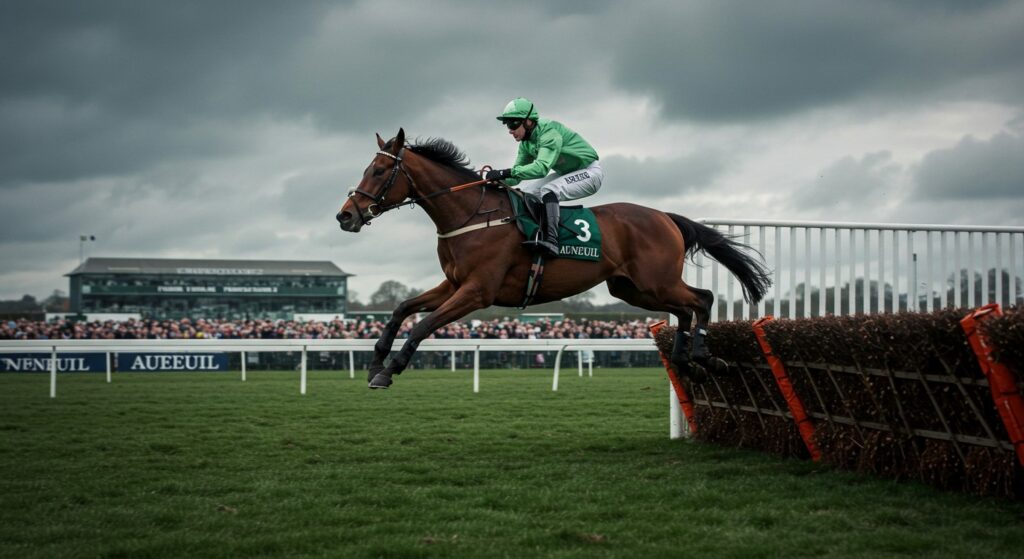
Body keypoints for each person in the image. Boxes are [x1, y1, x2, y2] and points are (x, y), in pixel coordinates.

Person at [486, 97, 603, 257]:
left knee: (550, 189)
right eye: (507, 124)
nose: (510, 130)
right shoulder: (526, 144)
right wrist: (497, 181)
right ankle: (534, 234)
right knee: (525, 193)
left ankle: (552, 242)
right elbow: (516, 177)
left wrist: (504, 172)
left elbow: (541, 169)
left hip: (590, 172)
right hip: (567, 173)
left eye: (513, 123)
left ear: (528, 122)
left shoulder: (549, 132)